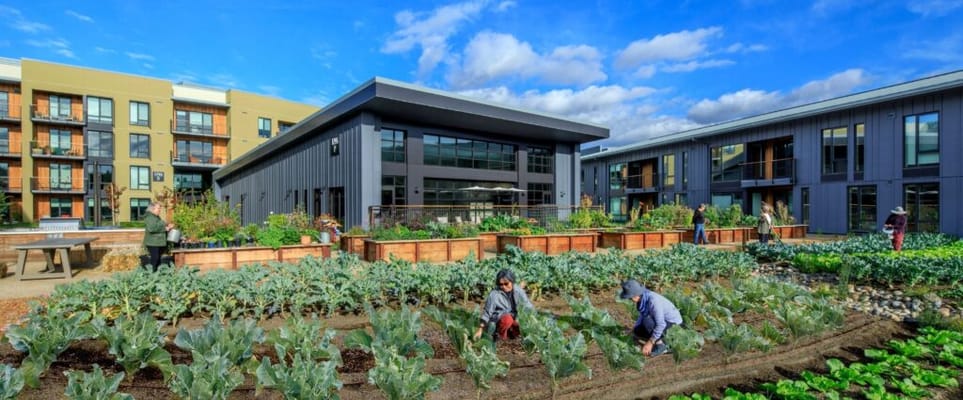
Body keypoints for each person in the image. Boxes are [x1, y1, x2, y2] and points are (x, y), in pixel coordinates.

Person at [619, 279, 683, 357]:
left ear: (635, 296)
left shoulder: (653, 301)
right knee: (638, 329)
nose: (629, 299)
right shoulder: (643, 298)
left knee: (647, 322)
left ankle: (661, 345)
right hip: (664, 323)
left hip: (674, 326)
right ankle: (660, 340)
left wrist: (650, 343)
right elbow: (641, 316)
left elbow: (660, 324)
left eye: (630, 297)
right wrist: (633, 330)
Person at [473, 269, 534, 341]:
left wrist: (531, 319)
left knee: (522, 321)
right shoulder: (494, 294)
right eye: (500, 284)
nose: (504, 286)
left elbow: (528, 306)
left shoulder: (518, 291)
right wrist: (480, 329)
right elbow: (487, 312)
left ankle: (513, 336)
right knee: (507, 319)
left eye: (506, 283)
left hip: (515, 317)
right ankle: (501, 337)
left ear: (512, 282)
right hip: (500, 319)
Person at [143, 202, 174, 270]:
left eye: (160, 208)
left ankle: (155, 273)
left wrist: (167, 226)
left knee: (157, 259)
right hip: (153, 242)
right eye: (158, 208)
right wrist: (165, 228)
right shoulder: (149, 217)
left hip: (156, 242)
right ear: (152, 209)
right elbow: (152, 228)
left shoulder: (155, 217)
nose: (159, 210)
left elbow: (158, 225)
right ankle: (151, 273)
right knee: (155, 259)